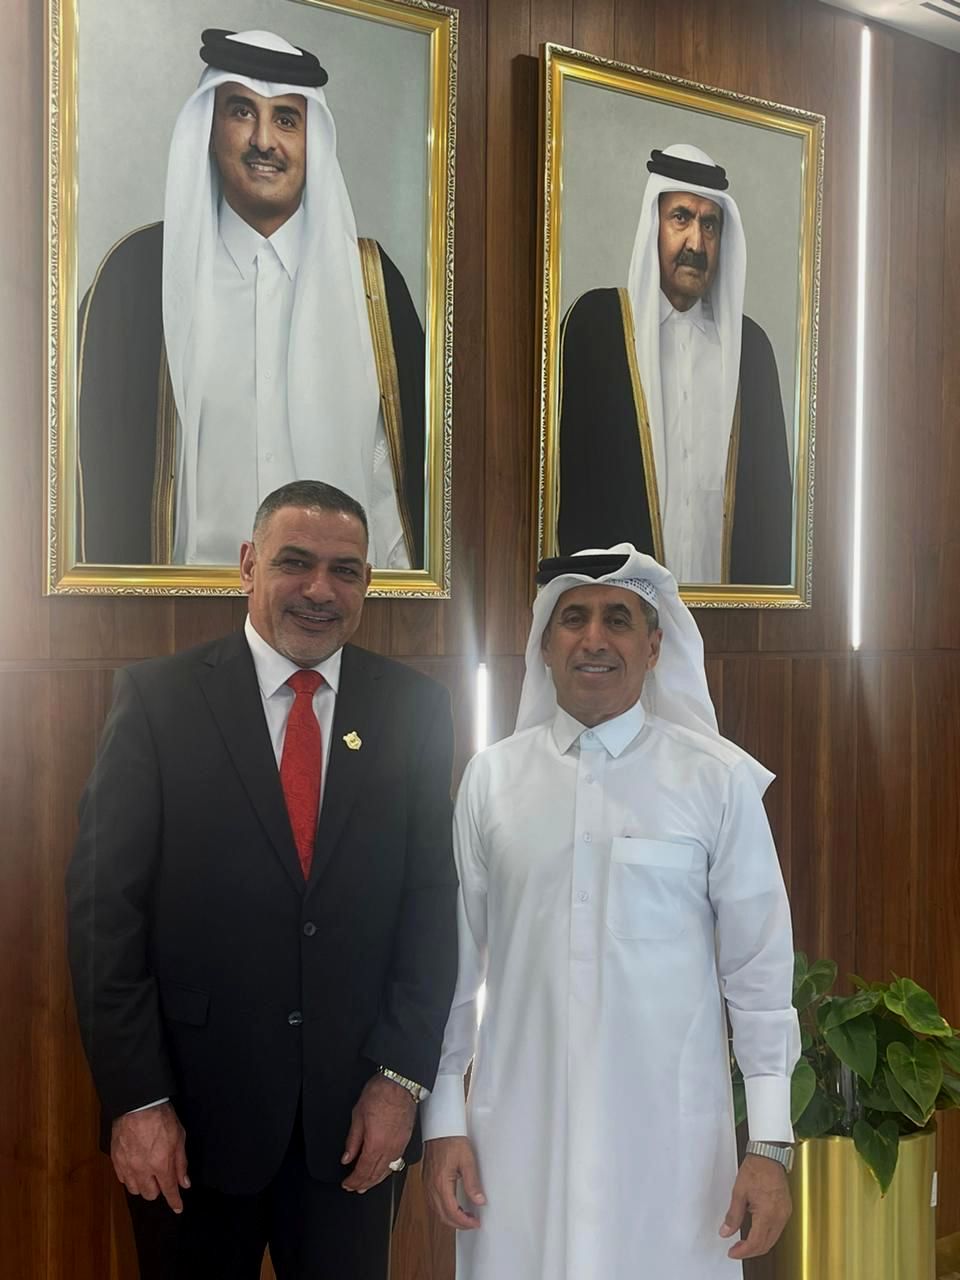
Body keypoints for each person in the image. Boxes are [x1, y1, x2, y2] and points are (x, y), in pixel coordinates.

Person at [66, 479, 457, 1279]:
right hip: (189, 1125)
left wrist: (400, 1083)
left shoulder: (414, 710)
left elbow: (430, 910)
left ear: (367, 584)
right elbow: (105, 916)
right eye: (294, 562)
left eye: (345, 570)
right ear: (248, 565)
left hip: (355, 1125)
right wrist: (137, 1100)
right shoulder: (158, 700)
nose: (320, 590)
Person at [421, 544, 800, 1279]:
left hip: (670, 1152)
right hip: (520, 1145)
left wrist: (769, 1144)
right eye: (573, 619)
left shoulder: (716, 781)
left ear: (654, 647)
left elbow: (759, 975)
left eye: (618, 619)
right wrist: (443, 1122)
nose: (594, 638)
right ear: (545, 644)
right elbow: (455, 973)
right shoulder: (491, 780)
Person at [77, 29, 425, 569]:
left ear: (313, 141)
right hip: (176, 606)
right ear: (210, 130)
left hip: (332, 607)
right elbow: (89, 474)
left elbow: (393, 493)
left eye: (286, 119)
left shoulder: (372, 286)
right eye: (242, 112)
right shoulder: (138, 277)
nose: (264, 140)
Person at [558, 144, 793, 585]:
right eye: (681, 218)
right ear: (654, 225)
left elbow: (772, 508)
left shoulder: (751, 351)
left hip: (724, 609)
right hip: (625, 610)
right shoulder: (598, 330)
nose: (696, 243)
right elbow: (572, 494)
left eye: (709, 224)